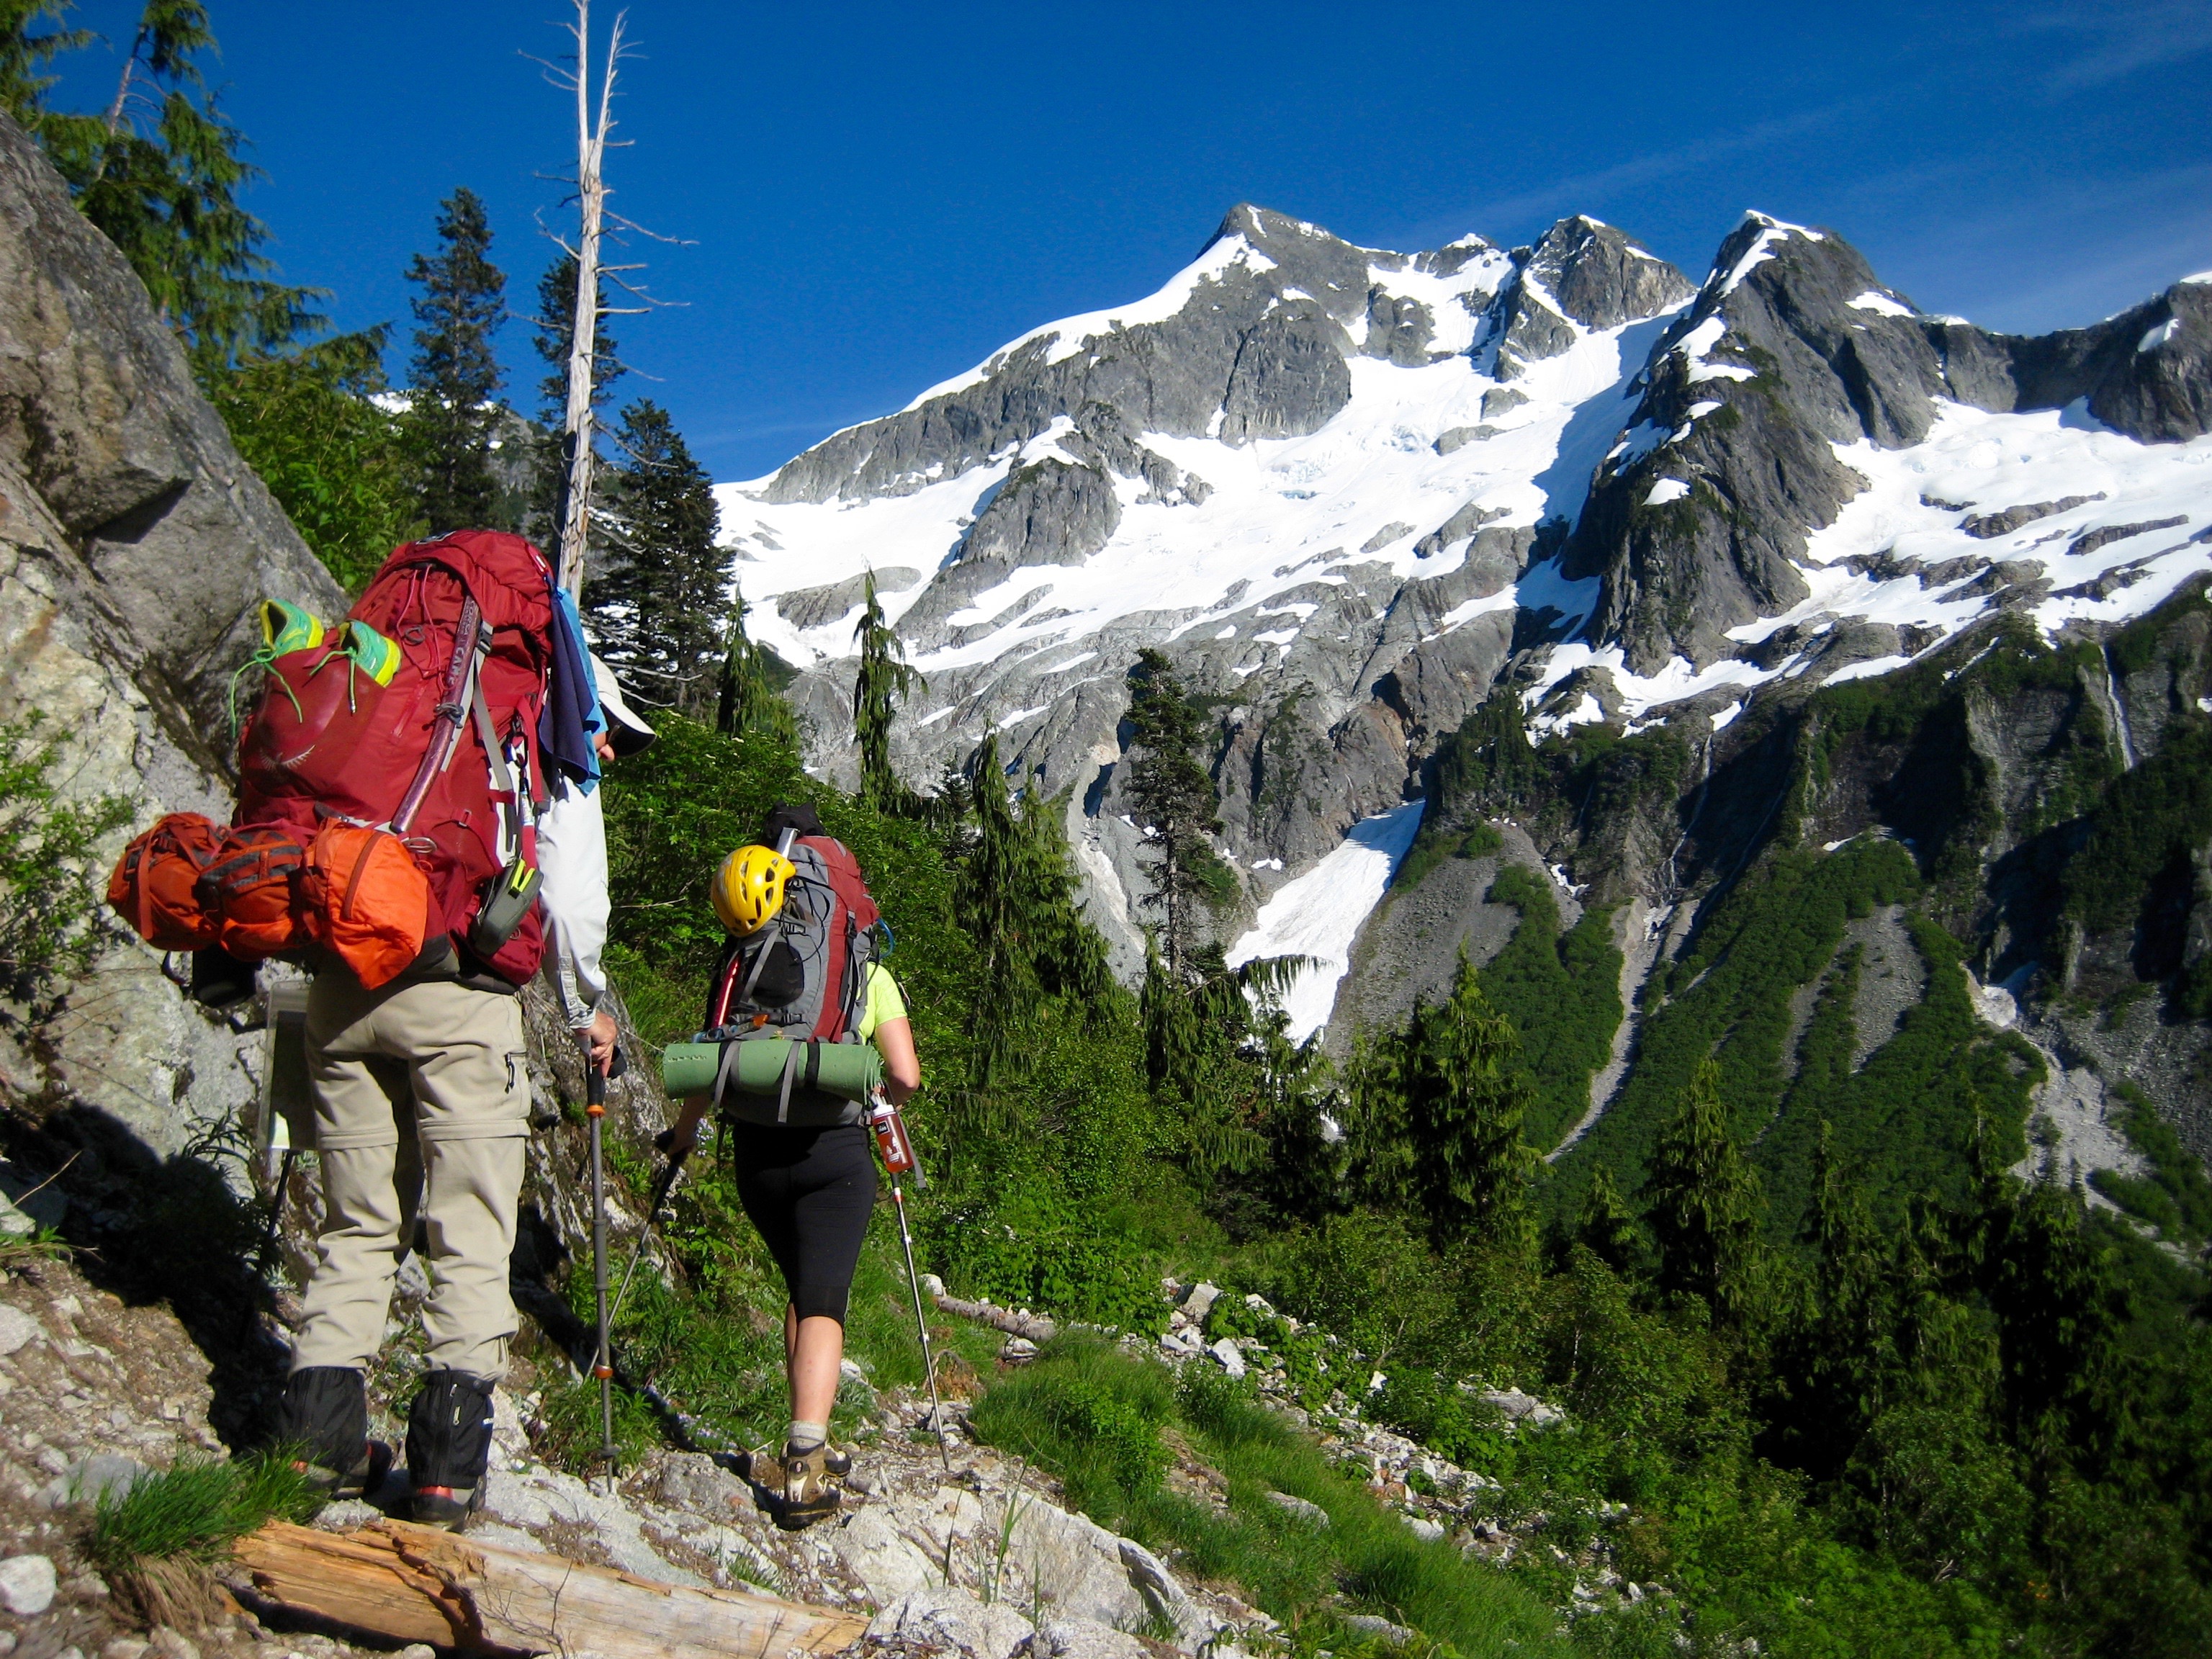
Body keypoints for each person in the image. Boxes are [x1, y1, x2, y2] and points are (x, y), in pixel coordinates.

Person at [274, 616, 652, 1529]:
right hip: (459, 993)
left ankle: (316, 1447)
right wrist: (585, 1006)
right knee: (471, 1231)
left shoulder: (407, 716)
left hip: (341, 984)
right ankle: (443, 1472)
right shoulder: (539, 734)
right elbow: (563, 897)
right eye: (609, 723)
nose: (608, 740)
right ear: (579, 696)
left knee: (357, 1224)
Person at [661, 802, 920, 1525]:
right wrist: (868, 1090)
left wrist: (681, 1140)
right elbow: (906, 1076)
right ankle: (804, 1469)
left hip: (757, 1158)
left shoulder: (741, 955)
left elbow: (714, 1065)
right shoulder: (863, 969)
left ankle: (812, 1433)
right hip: (834, 1153)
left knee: (801, 1291)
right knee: (825, 1300)